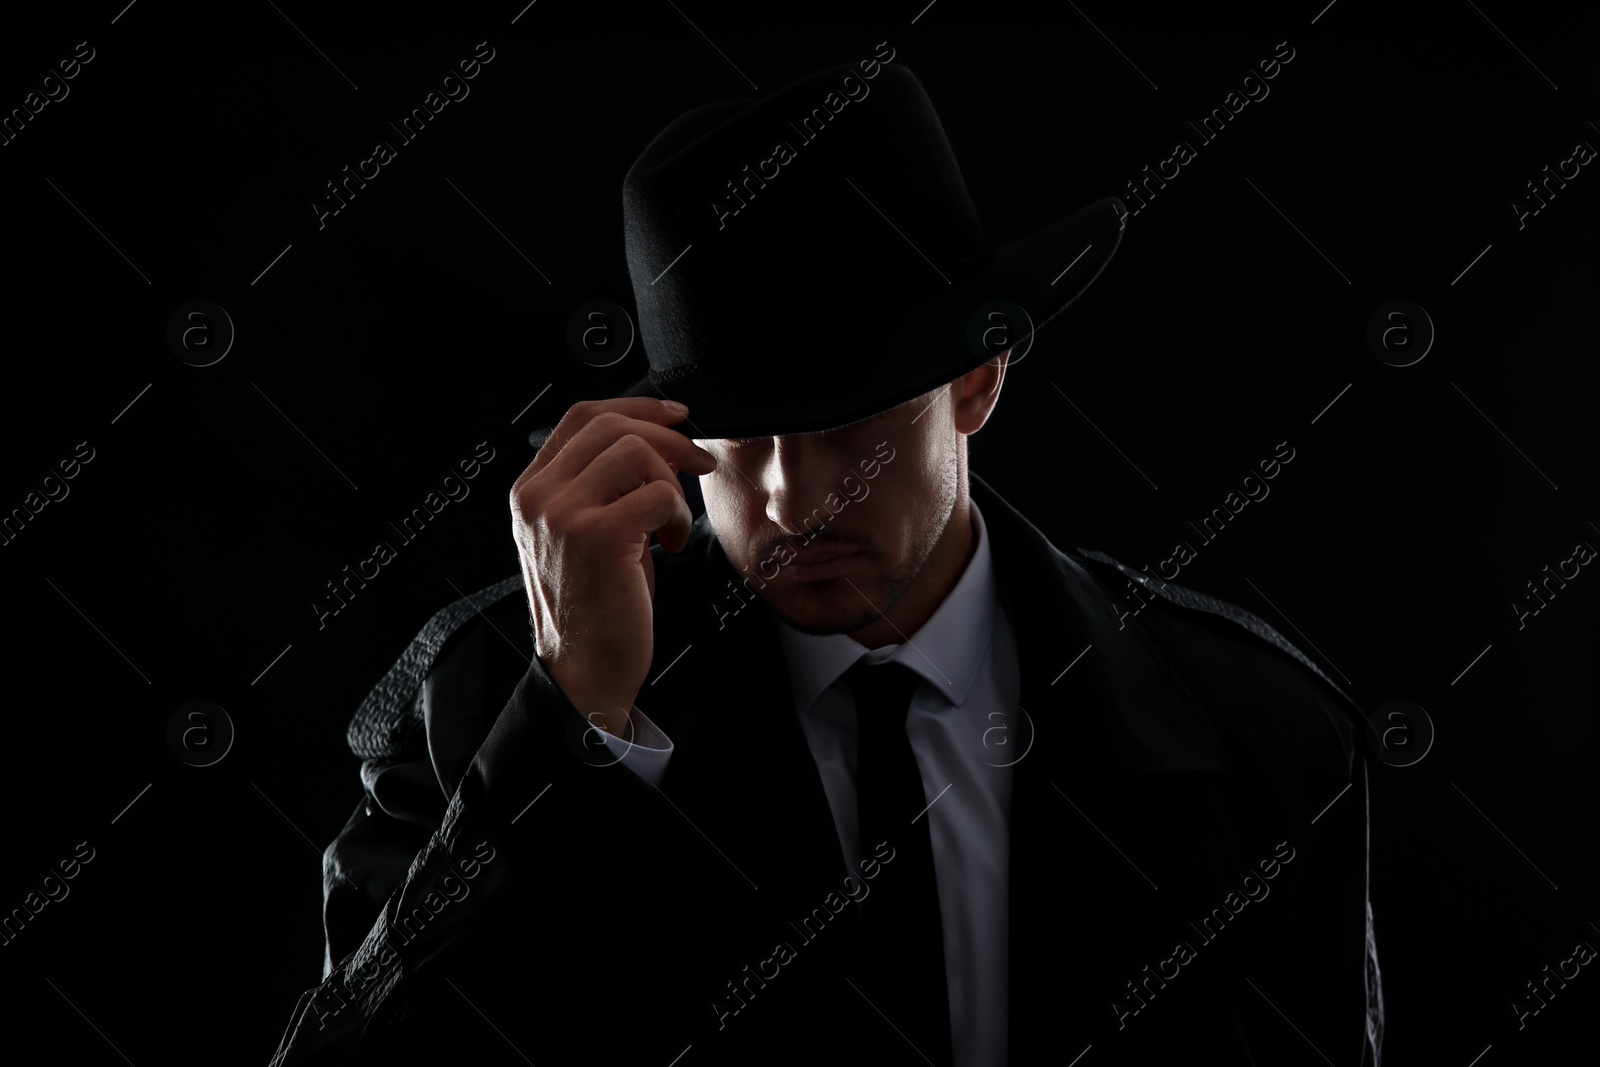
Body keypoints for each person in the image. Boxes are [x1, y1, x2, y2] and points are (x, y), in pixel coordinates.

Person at [269, 57, 1382, 1066]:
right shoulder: (475, 703)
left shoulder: (1259, 735)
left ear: (977, 382)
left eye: (851, 422)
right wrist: (573, 725)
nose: (791, 500)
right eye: (736, 434)